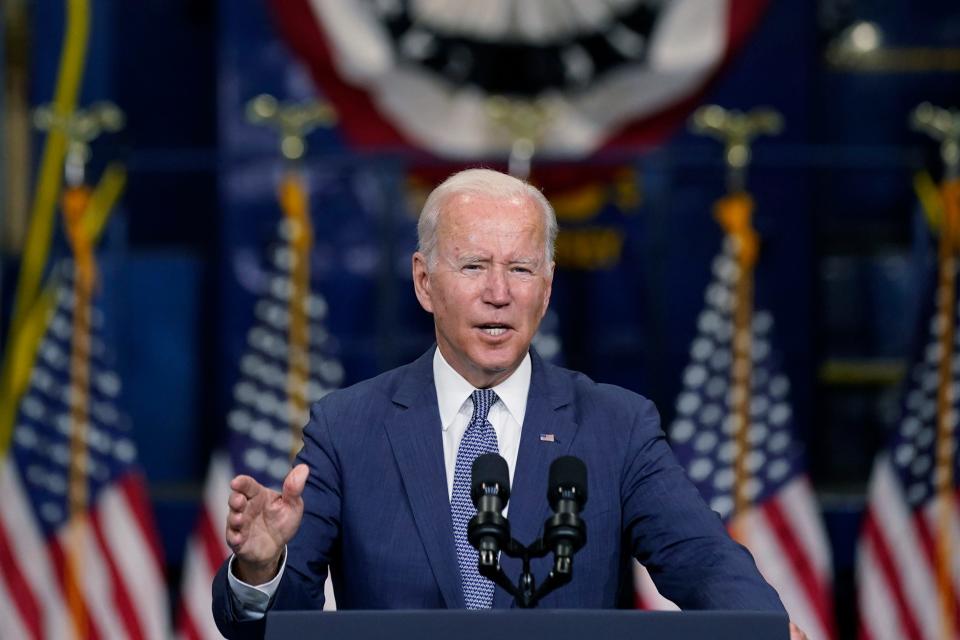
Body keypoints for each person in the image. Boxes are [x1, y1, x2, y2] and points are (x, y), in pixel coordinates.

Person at [212, 168, 807, 639]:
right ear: (424, 282)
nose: (498, 294)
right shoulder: (347, 428)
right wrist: (262, 567)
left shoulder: (616, 426)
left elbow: (704, 563)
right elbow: (273, 629)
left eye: (520, 269)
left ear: (545, 289)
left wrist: (767, 630)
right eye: (474, 266)